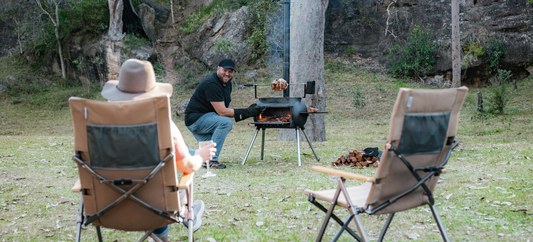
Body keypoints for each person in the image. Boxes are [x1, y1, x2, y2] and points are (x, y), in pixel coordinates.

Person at [100, 59, 213, 242]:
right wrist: (199, 156)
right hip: (155, 208)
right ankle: (185, 213)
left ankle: (183, 212)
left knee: (153, 189)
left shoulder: (100, 127)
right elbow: (187, 166)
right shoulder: (163, 126)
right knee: (170, 187)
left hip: (107, 207)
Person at [184, 58, 265, 169]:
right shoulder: (212, 84)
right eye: (225, 70)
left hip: (205, 119)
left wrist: (246, 112)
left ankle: (175, 152)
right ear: (218, 69)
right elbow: (222, 111)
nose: (227, 74)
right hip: (197, 120)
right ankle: (213, 161)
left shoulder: (227, 84)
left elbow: (223, 108)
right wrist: (247, 112)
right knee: (226, 122)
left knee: (204, 154)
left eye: (230, 71)